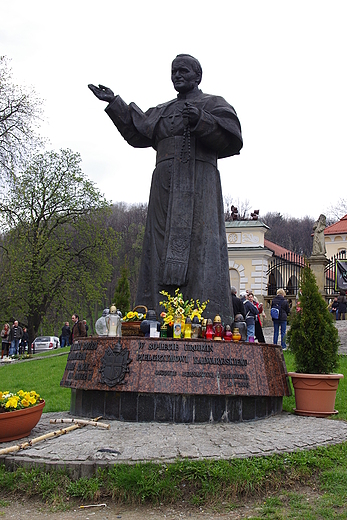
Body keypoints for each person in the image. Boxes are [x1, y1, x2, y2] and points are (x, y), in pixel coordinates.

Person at [88, 54, 243, 326]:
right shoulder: (163, 109)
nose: (177, 75)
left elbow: (232, 139)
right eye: (173, 71)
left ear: (197, 76)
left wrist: (202, 120)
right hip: (165, 185)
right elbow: (138, 131)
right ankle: (155, 314)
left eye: (183, 71)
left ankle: (205, 317)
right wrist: (115, 103)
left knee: (201, 244)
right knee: (158, 244)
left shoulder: (213, 104)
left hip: (200, 181)